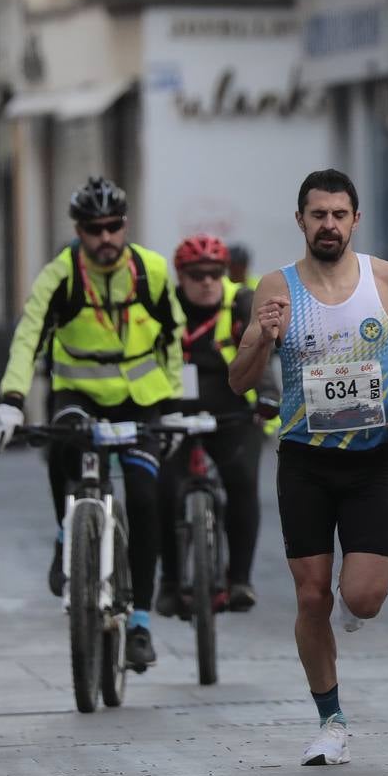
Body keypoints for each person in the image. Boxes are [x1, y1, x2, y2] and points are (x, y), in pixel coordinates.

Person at [228, 169, 388, 767]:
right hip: (304, 462)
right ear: (301, 221)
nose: (329, 225)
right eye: (319, 215)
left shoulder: (385, 279)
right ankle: (330, 720)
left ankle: (351, 604)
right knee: (310, 597)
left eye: (340, 214)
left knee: (361, 599)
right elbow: (239, 380)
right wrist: (263, 340)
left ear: (355, 220)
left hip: (367, 460)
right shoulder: (276, 287)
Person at [0, 176, 183, 670]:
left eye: (113, 227)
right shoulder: (61, 275)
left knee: (143, 494)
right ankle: (64, 535)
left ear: (125, 225)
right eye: (94, 229)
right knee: (62, 445)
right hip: (78, 394)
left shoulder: (150, 271)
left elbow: (174, 337)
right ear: (79, 230)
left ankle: (139, 624)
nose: (105, 238)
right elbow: (29, 336)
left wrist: (175, 399)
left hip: (141, 400)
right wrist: (10, 400)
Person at [156, 234, 279, 616]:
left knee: (242, 483)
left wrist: (268, 397)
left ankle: (240, 579)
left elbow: (262, 348)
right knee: (162, 489)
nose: (207, 281)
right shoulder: (164, 306)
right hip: (174, 410)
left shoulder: (241, 300)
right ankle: (171, 583)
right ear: (181, 275)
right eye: (197, 274)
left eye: (214, 273)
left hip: (233, 410)